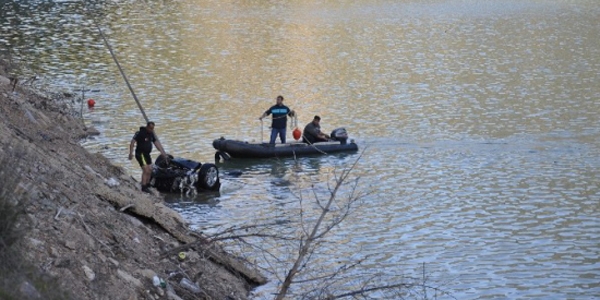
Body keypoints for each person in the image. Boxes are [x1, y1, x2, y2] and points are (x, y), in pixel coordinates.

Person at [128, 121, 168, 193]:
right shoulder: (140, 133)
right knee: (146, 169)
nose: (151, 130)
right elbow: (132, 142)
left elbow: (156, 143)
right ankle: (143, 186)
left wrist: (162, 152)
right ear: (147, 127)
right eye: (150, 128)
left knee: (150, 169)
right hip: (140, 154)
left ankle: (147, 184)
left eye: (152, 128)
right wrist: (131, 153)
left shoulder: (151, 134)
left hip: (147, 154)